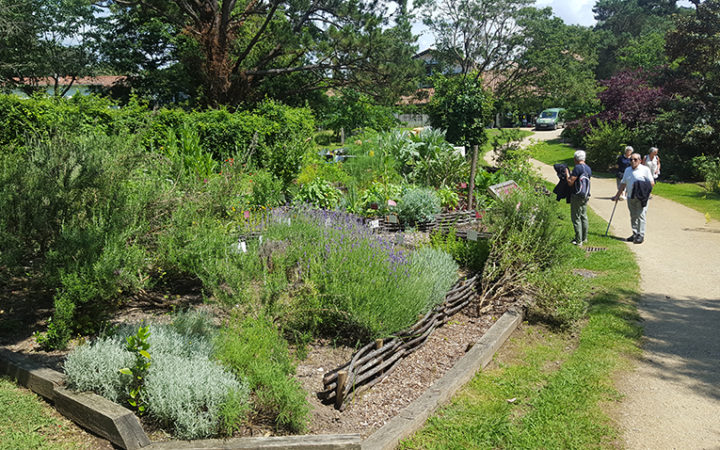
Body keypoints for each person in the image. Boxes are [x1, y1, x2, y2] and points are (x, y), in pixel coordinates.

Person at [612, 152, 655, 244]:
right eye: (631, 159)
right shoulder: (627, 170)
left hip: (641, 197)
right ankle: (635, 233)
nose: (633, 161)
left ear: (640, 160)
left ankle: (641, 235)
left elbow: (651, 183)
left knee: (641, 215)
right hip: (630, 196)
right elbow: (623, 183)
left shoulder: (645, 169)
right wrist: (617, 195)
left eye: (635, 159)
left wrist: (643, 190)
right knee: (633, 215)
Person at [565, 150, 592, 246]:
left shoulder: (577, 168)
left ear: (575, 159)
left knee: (575, 217)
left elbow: (570, 182)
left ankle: (578, 240)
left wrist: (567, 173)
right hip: (585, 195)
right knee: (584, 216)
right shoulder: (588, 169)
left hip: (576, 195)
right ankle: (584, 238)